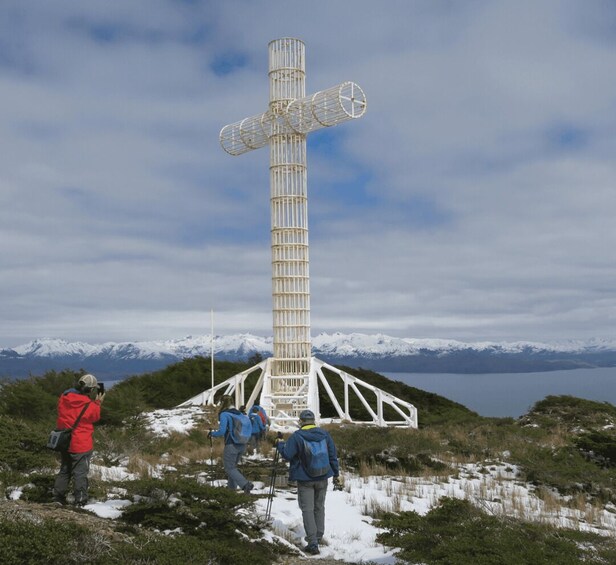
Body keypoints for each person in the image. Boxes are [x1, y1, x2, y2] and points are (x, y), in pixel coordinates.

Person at [276, 409, 341, 555]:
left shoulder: (297, 436)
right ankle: (318, 536)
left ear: (300, 421)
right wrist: (336, 473)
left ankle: (312, 543)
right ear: (313, 421)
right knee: (319, 507)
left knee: (307, 509)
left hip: (305, 478)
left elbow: (287, 454)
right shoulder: (325, 434)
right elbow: (332, 455)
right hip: (323, 476)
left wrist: (280, 444)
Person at [53, 373, 104, 506]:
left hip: (65, 441)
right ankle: (80, 500)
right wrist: (98, 402)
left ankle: (58, 497)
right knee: (80, 472)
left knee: (65, 469)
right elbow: (95, 417)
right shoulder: (90, 405)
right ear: (90, 390)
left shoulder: (64, 398)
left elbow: (62, 409)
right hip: (81, 443)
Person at [208, 395, 254, 493]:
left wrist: (212, 434)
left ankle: (246, 484)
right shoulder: (240, 414)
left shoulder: (225, 414)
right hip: (242, 444)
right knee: (233, 468)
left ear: (223, 403)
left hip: (231, 444)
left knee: (229, 468)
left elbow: (222, 431)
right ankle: (231, 490)